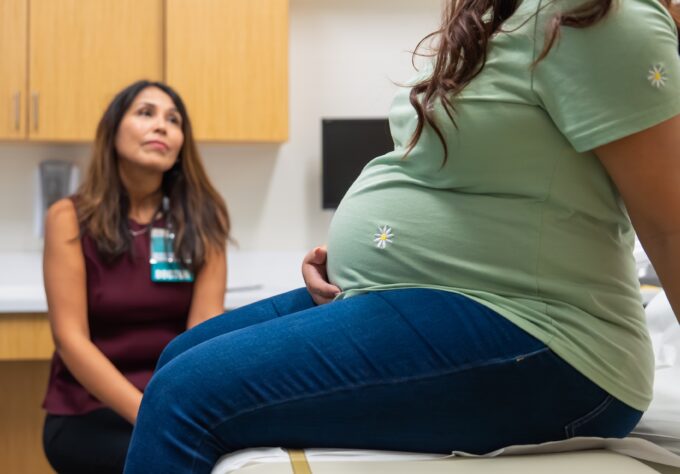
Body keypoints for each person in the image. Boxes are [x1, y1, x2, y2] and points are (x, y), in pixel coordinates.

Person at [124, 1, 680, 472]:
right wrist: (368, 259)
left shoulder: (600, 15)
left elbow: (669, 223)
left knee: (184, 396)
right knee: (179, 356)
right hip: (444, 300)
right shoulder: (502, 15)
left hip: (547, 339)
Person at [41, 80, 230, 474]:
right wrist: (150, 414)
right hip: (89, 412)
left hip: (175, 404)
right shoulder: (68, 218)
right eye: (145, 113)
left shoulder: (205, 220)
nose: (161, 126)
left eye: (173, 119)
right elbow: (70, 340)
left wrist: (184, 412)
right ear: (112, 131)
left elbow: (202, 332)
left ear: (181, 144)